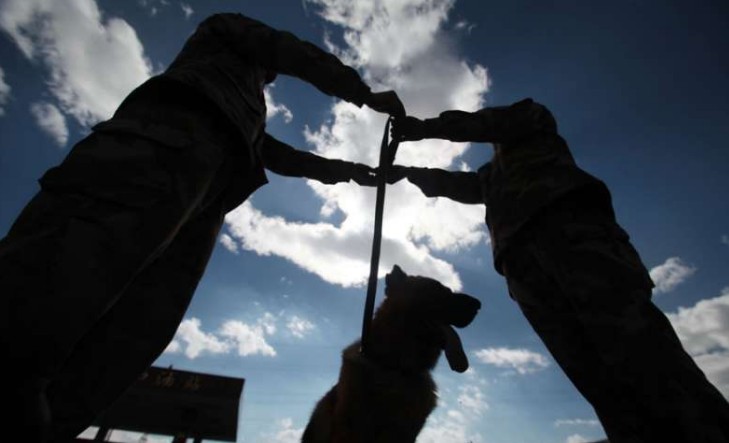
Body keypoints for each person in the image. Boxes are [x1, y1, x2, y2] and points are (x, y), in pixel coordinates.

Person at [0, 12, 403, 442]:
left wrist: (349, 172)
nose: (272, 75)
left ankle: (50, 420)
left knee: (142, 324)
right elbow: (284, 48)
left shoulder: (249, 107)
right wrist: (361, 93)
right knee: (75, 258)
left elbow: (274, 153)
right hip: (160, 144)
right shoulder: (224, 38)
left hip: (207, 191)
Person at [389, 98, 729, 443]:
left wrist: (422, 128)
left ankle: (710, 432)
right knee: (596, 380)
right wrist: (406, 173)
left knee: (645, 356)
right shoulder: (494, 175)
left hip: (573, 235)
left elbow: (488, 123)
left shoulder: (530, 118)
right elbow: (462, 186)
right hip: (523, 266)